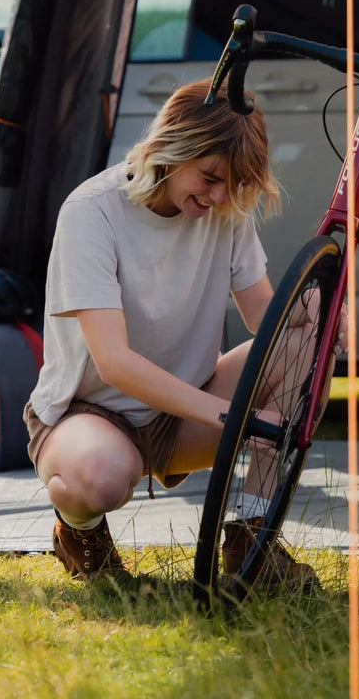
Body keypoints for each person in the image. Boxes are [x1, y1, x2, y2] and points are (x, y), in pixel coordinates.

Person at [24, 78, 331, 587]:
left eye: (232, 185)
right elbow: (114, 363)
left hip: (183, 411)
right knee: (98, 475)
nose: (218, 196)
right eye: (210, 177)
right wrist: (231, 418)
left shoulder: (225, 210)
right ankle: (82, 534)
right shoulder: (92, 212)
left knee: (304, 349)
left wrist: (321, 310)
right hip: (90, 413)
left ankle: (250, 541)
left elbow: (264, 317)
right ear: (171, 145)